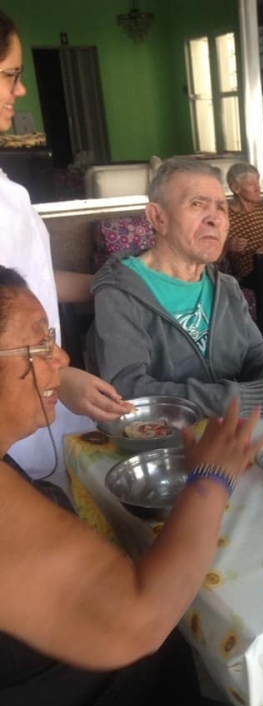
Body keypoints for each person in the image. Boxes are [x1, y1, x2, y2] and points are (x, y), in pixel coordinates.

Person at [0, 265, 263, 706]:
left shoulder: (227, 290)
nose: (62, 360)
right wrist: (212, 477)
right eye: (38, 347)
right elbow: (138, 615)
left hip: (84, 704)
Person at [0, 9, 131, 480]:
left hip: (38, 391)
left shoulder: (7, 189)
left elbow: (29, 282)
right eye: (11, 74)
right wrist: (60, 375)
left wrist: (117, 284)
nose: (21, 90)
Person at [90, 157, 263, 418]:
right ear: (158, 217)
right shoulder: (121, 292)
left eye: (222, 208)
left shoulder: (226, 287)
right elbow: (128, 390)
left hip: (238, 432)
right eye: (197, 204)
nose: (215, 219)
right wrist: (246, 399)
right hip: (169, 443)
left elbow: (254, 357)